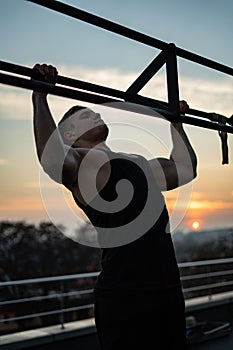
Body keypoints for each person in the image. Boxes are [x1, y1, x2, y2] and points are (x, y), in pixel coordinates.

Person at [32, 63, 197, 349]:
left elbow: (185, 168)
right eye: (85, 116)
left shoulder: (138, 161)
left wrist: (175, 122)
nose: (95, 113)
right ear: (69, 135)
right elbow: (52, 160)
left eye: (95, 111)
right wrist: (40, 94)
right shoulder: (82, 164)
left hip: (167, 287)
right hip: (124, 295)